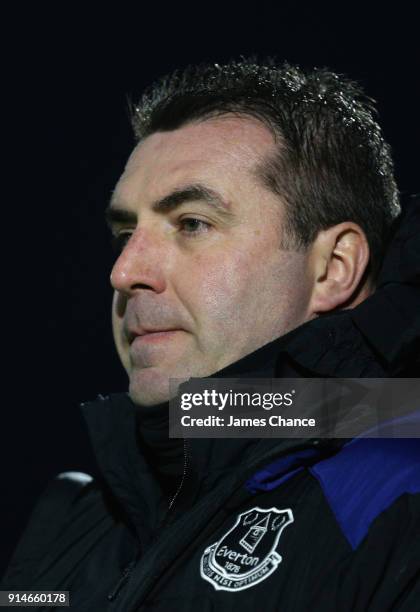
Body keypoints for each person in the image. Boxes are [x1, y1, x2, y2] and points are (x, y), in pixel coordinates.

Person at [2, 59, 419, 611]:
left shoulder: (399, 502)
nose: (124, 272)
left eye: (192, 223)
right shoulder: (75, 516)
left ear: (333, 268)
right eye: (126, 232)